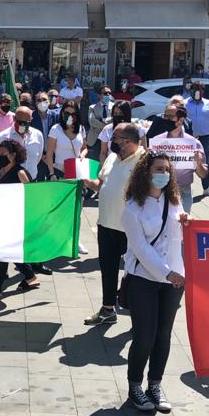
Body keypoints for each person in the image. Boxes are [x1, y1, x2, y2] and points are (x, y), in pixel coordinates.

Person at [121, 151, 188, 413]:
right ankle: (135, 385)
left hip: (174, 280)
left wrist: (187, 222)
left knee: (163, 336)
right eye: (159, 169)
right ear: (146, 173)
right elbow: (140, 247)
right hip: (144, 279)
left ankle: (155, 385)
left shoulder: (174, 201)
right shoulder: (133, 207)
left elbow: (178, 234)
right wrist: (166, 273)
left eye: (167, 170)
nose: (164, 174)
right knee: (144, 336)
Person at [81, 124, 145, 326]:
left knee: (136, 274)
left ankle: (140, 318)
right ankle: (108, 309)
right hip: (106, 224)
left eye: (115, 138)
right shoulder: (111, 157)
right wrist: (87, 182)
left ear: (128, 141)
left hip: (131, 229)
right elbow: (102, 185)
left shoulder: (145, 161)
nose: (111, 141)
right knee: (108, 270)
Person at [0, 140, 41, 302]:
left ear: (13, 155)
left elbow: (32, 195)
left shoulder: (20, 173)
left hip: (12, 218)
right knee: (10, 251)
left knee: (2, 253)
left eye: (2, 153)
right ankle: (30, 276)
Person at [152, 106, 207, 212]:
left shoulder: (194, 143)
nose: (166, 120)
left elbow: (202, 175)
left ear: (180, 120)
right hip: (160, 192)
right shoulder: (157, 141)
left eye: (170, 117)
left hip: (183, 193)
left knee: (183, 222)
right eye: (165, 116)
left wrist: (198, 163)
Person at [0, 106, 44, 181]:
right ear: (14, 119)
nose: (22, 125)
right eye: (20, 122)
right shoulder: (2, 137)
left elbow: (38, 157)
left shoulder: (38, 135)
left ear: (31, 120)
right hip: (11, 182)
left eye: (25, 123)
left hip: (32, 180)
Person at [184, 82, 209, 196]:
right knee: (187, 161)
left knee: (205, 162)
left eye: (199, 89)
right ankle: (187, 187)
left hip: (205, 137)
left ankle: (206, 187)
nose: (197, 92)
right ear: (191, 91)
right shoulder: (185, 103)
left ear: (203, 91)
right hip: (188, 138)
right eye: (194, 89)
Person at [46, 102, 87, 176]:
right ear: (62, 113)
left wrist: (82, 155)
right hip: (59, 170)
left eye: (73, 114)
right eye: (67, 113)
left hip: (76, 169)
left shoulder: (81, 128)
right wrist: (52, 173)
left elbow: (84, 148)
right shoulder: (55, 129)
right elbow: (49, 154)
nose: (70, 116)